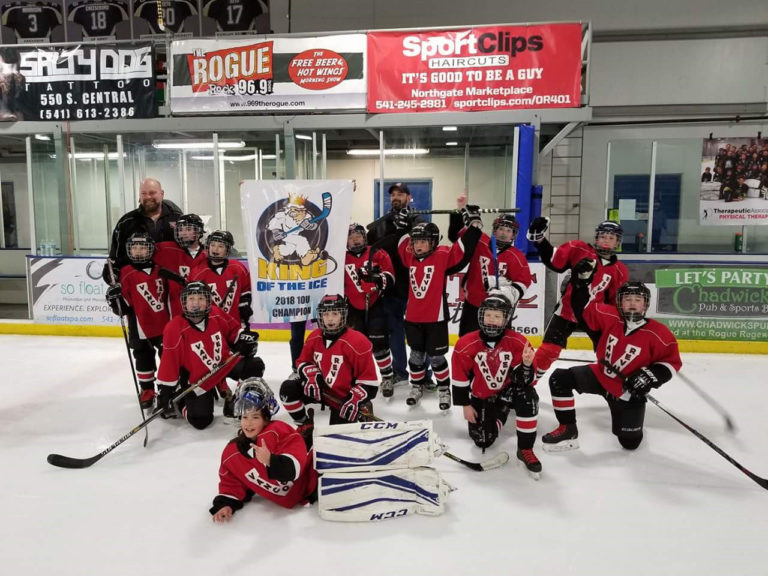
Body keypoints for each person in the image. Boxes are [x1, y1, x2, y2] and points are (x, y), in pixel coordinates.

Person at [541, 282, 682, 452]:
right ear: (620, 303)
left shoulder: (659, 333)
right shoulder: (610, 316)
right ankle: (568, 428)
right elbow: (584, 306)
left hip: (626, 390)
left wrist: (650, 376)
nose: (632, 303)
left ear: (645, 304)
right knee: (560, 378)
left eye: (638, 299)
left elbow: (670, 362)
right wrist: (580, 283)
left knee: (630, 443)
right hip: (600, 375)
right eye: (627, 299)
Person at [391, 219, 481, 409]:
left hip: (436, 319)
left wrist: (473, 227)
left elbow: (461, 250)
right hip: (413, 318)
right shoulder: (410, 257)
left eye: (424, 241)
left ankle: (443, 390)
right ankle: (416, 386)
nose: (419, 245)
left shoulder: (442, 255)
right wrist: (402, 224)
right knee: (415, 356)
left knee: (437, 358)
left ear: (433, 242)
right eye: (416, 241)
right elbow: (401, 243)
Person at [451, 288, 541, 477]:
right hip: (482, 393)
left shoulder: (517, 342)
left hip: (508, 390)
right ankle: (502, 412)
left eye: (497, 316)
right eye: (488, 315)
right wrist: (465, 405)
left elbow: (527, 380)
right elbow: (460, 378)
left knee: (528, 396)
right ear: (481, 316)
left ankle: (525, 449)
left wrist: (526, 365)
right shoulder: (466, 343)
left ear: (506, 319)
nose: (492, 319)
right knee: (482, 441)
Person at [526, 218, 629, 381]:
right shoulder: (580, 249)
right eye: (603, 236)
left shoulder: (620, 270)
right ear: (596, 238)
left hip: (595, 316)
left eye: (611, 237)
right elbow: (555, 261)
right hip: (567, 311)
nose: (606, 240)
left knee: (610, 353)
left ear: (617, 242)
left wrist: (615, 324)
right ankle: (527, 383)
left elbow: (613, 300)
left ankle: (614, 384)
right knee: (549, 351)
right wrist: (539, 239)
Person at [155, 282, 265, 429]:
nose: (196, 303)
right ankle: (179, 400)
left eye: (201, 298)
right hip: (199, 379)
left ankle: (239, 403)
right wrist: (165, 391)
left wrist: (243, 338)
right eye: (191, 299)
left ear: (208, 301)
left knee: (254, 365)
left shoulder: (215, 313)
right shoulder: (174, 327)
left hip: (225, 364)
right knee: (201, 421)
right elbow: (169, 362)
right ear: (184, 303)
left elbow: (233, 330)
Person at [210, 378, 317, 523]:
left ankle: (308, 435)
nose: (248, 423)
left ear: (266, 419)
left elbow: (294, 469)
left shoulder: (278, 431)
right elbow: (232, 482)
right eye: (244, 417)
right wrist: (226, 505)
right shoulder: (232, 453)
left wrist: (271, 461)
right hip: (291, 500)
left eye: (255, 417)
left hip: (315, 479)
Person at [279, 294, 379, 426]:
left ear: (343, 315)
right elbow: (302, 361)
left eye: (335, 314)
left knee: (336, 441)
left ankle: (363, 405)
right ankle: (305, 426)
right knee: (288, 390)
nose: (330, 319)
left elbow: (369, 381)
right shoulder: (314, 337)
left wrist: (355, 398)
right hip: (321, 391)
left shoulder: (358, 341)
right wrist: (310, 374)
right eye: (326, 314)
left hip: (344, 398)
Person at [366, 183, 427, 386]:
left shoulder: (419, 221)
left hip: (418, 284)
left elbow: (426, 248)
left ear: (409, 197)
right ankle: (400, 371)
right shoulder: (380, 225)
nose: (395, 197)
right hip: (392, 287)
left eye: (400, 194)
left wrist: (407, 229)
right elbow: (370, 250)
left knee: (420, 330)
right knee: (395, 330)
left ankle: (424, 375)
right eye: (393, 194)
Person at [448, 193, 532, 336]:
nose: (504, 234)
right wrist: (460, 209)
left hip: (499, 310)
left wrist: (504, 291)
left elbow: (523, 282)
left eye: (508, 230)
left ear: (513, 235)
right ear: (494, 230)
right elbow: (456, 235)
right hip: (473, 305)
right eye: (501, 229)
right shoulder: (479, 240)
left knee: (498, 346)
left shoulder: (517, 257)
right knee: (467, 342)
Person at [105, 233, 170, 409]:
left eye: (142, 248)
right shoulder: (126, 272)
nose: (139, 252)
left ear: (150, 250)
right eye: (135, 248)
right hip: (139, 325)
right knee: (143, 358)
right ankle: (147, 389)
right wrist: (113, 299)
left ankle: (167, 388)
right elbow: (123, 308)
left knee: (167, 357)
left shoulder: (161, 270)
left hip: (164, 324)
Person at [344, 223, 397, 397]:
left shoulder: (377, 252)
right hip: (353, 308)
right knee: (355, 346)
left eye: (358, 236)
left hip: (376, 305)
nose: (355, 240)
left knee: (380, 344)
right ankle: (359, 378)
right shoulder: (341, 257)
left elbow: (390, 277)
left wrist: (376, 280)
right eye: (351, 238)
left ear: (364, 238)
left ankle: (387, 377)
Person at [103, 177, 182, 282]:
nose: (148, 197)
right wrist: (113, 279)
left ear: (162, 194)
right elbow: (115, 258)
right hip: (139, 283)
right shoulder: (127, 222)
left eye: (152, 192)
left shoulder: (177, 218)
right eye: (143, 193)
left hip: (172, 281)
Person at [190, 230, 252, 328]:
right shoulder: (198, 273)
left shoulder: (238, 268)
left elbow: (246, 292)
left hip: (236, 325)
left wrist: (244, 311)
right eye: (213, 245)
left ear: (227, 249)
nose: (215, 249)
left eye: (220, 246)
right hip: (211, 327)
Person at [153, 213, 207, 318]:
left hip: (204, 310)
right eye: (180, 230)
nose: (183, 233)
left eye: (188, 229)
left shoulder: (209, 254)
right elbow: (142, 251)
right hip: (176, 312)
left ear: (199, 231)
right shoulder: (167, 250)